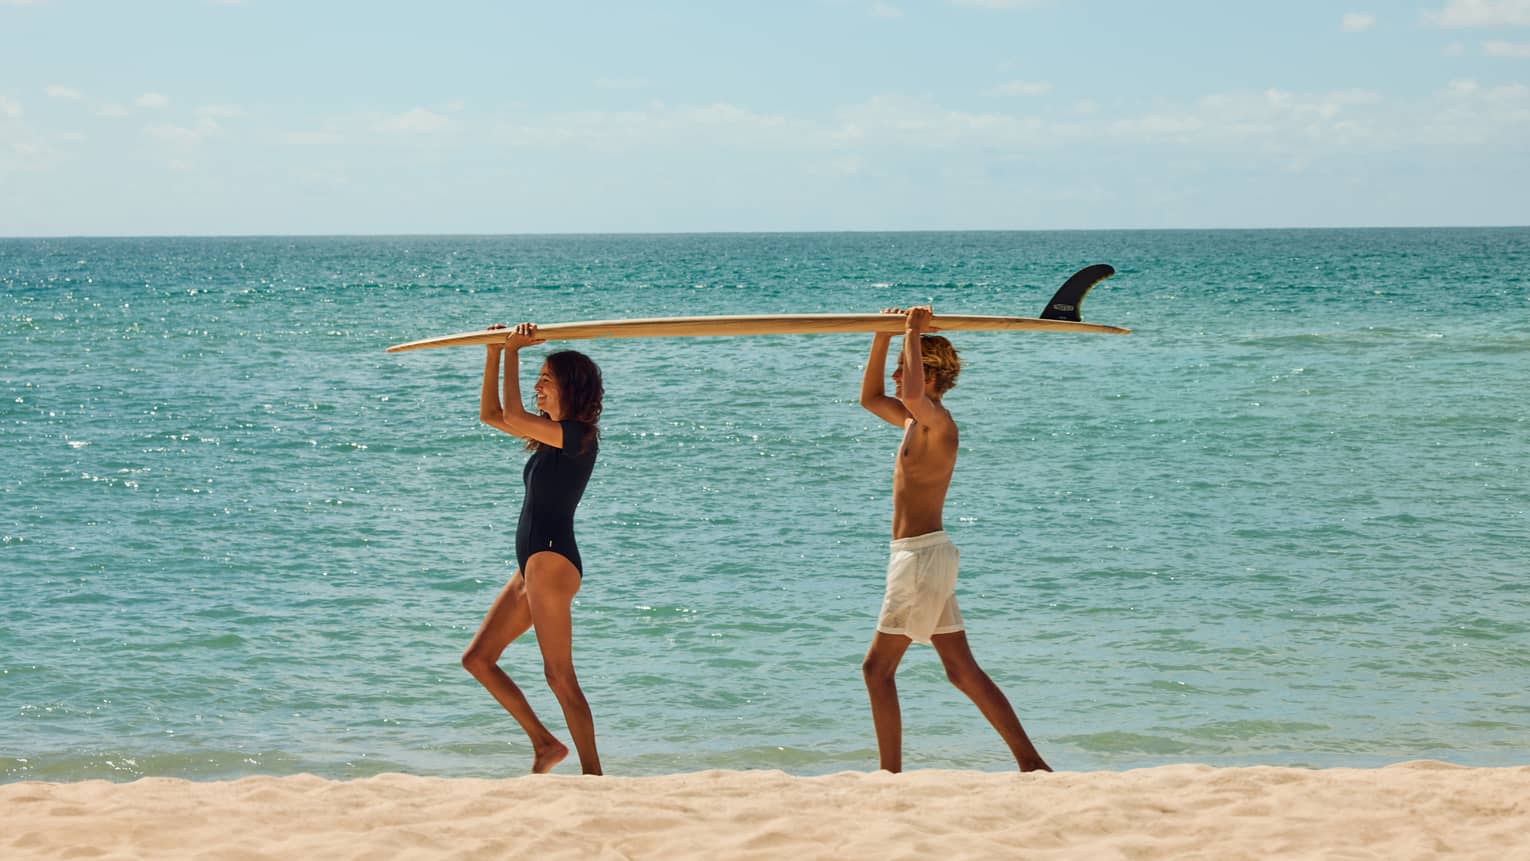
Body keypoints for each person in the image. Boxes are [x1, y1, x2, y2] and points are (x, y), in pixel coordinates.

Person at [857, 306, 1051, 773]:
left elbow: (912, 394)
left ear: (929, 375)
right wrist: (883, 336)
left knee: (876, 671)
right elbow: (869, 398)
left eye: (904, 368)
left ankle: (889, 775)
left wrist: (912, 330)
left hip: (919, 560)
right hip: (923, 557)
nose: (897, 377)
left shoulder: (937, 423)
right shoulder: (912, 422)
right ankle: (1032, 765)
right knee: (961, 671)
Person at [461, 322, 605, 775]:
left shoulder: (578, 436)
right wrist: (493, 351)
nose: (537, 387)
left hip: (552, 563)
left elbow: (512, 411)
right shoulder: (550, 437)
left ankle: (594, 776)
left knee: (559, 675)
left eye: (545, 380)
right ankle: (545, 745)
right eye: (537, 380)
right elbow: (492, 414)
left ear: (570, 388)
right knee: (478, 660)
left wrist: (514, 351)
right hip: (532, 567)